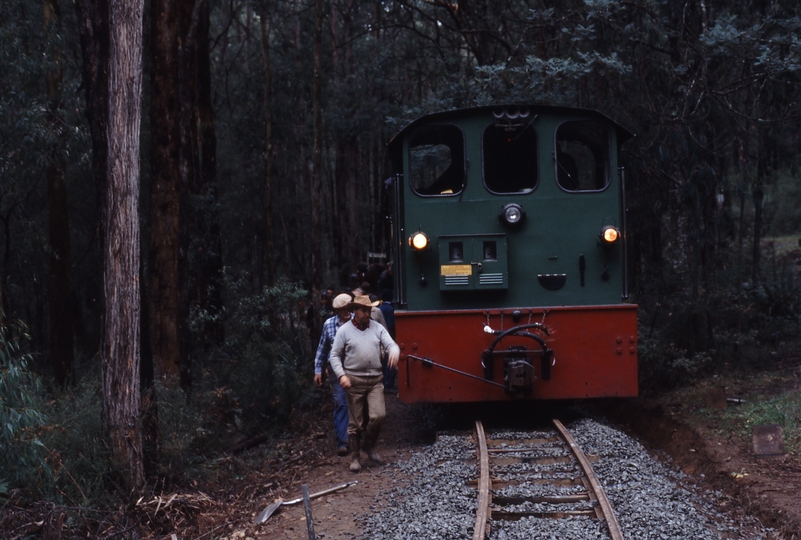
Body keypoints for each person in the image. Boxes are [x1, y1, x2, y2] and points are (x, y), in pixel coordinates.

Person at [328, 295, 400, 472]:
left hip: (375, 380)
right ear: (354, 311)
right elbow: (334, 355)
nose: (367, 314)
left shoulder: (377, 328)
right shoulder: (344, 331)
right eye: (363, 310)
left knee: (378, 416)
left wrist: (394, 352)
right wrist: (341, 375)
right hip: (353, 381)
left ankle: (369, 446)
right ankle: (355, 457)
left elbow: (392, 344)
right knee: (356, 423)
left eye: (369, 310)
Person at [313, 293, 353, 456]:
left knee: (357, 401)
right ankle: (342, 441)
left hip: (355, 368)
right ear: (336, 310)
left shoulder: (357, 322)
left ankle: (359, 438)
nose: (346, 312)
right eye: (342, 309)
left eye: (347, 308)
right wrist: (317, 370)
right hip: (336, 370)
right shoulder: (329, 325)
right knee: (341, 403)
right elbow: (323, 347)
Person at [378, 289, 397, 393]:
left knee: (383, 361)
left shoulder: (379, 308)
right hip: (388, 337)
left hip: (379, 337)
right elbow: (390, 325)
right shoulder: (390, 309)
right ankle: (388, 384)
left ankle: (383, 381)